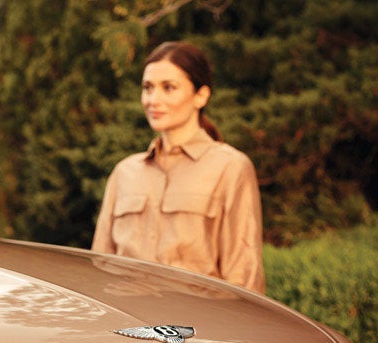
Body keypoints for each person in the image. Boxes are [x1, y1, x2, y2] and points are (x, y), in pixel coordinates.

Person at [92, 42, 264, 294]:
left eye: (168, 88)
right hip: (123, 328)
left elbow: (244, 278)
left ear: (201, 96)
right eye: (147, 88)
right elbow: (99, 269)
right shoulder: (124, 173)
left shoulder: (230, 167)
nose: (153, 100)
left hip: (196, 329)